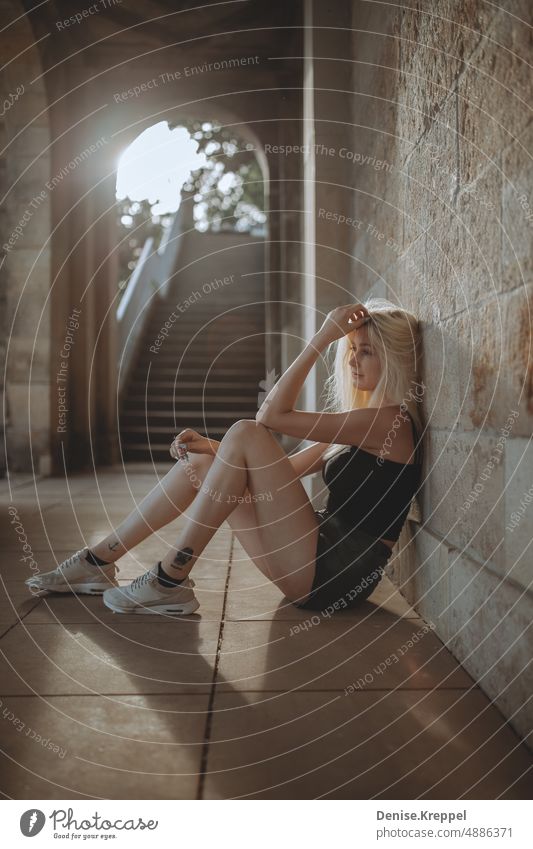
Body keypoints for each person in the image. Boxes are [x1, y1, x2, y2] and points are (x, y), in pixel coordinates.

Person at [26, 297, 424, 616]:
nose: (352, 360)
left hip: (335, 571)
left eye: (366, 351)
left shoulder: (391, 423)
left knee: (247, 431)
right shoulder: (357, 423)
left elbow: (270, 418)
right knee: (200, 463)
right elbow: (284, 470)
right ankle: (99, 560)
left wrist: (322, 338)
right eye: (351, 349)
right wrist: (217, 450)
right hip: (311, 557)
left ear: (393, 358)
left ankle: (170, 578)